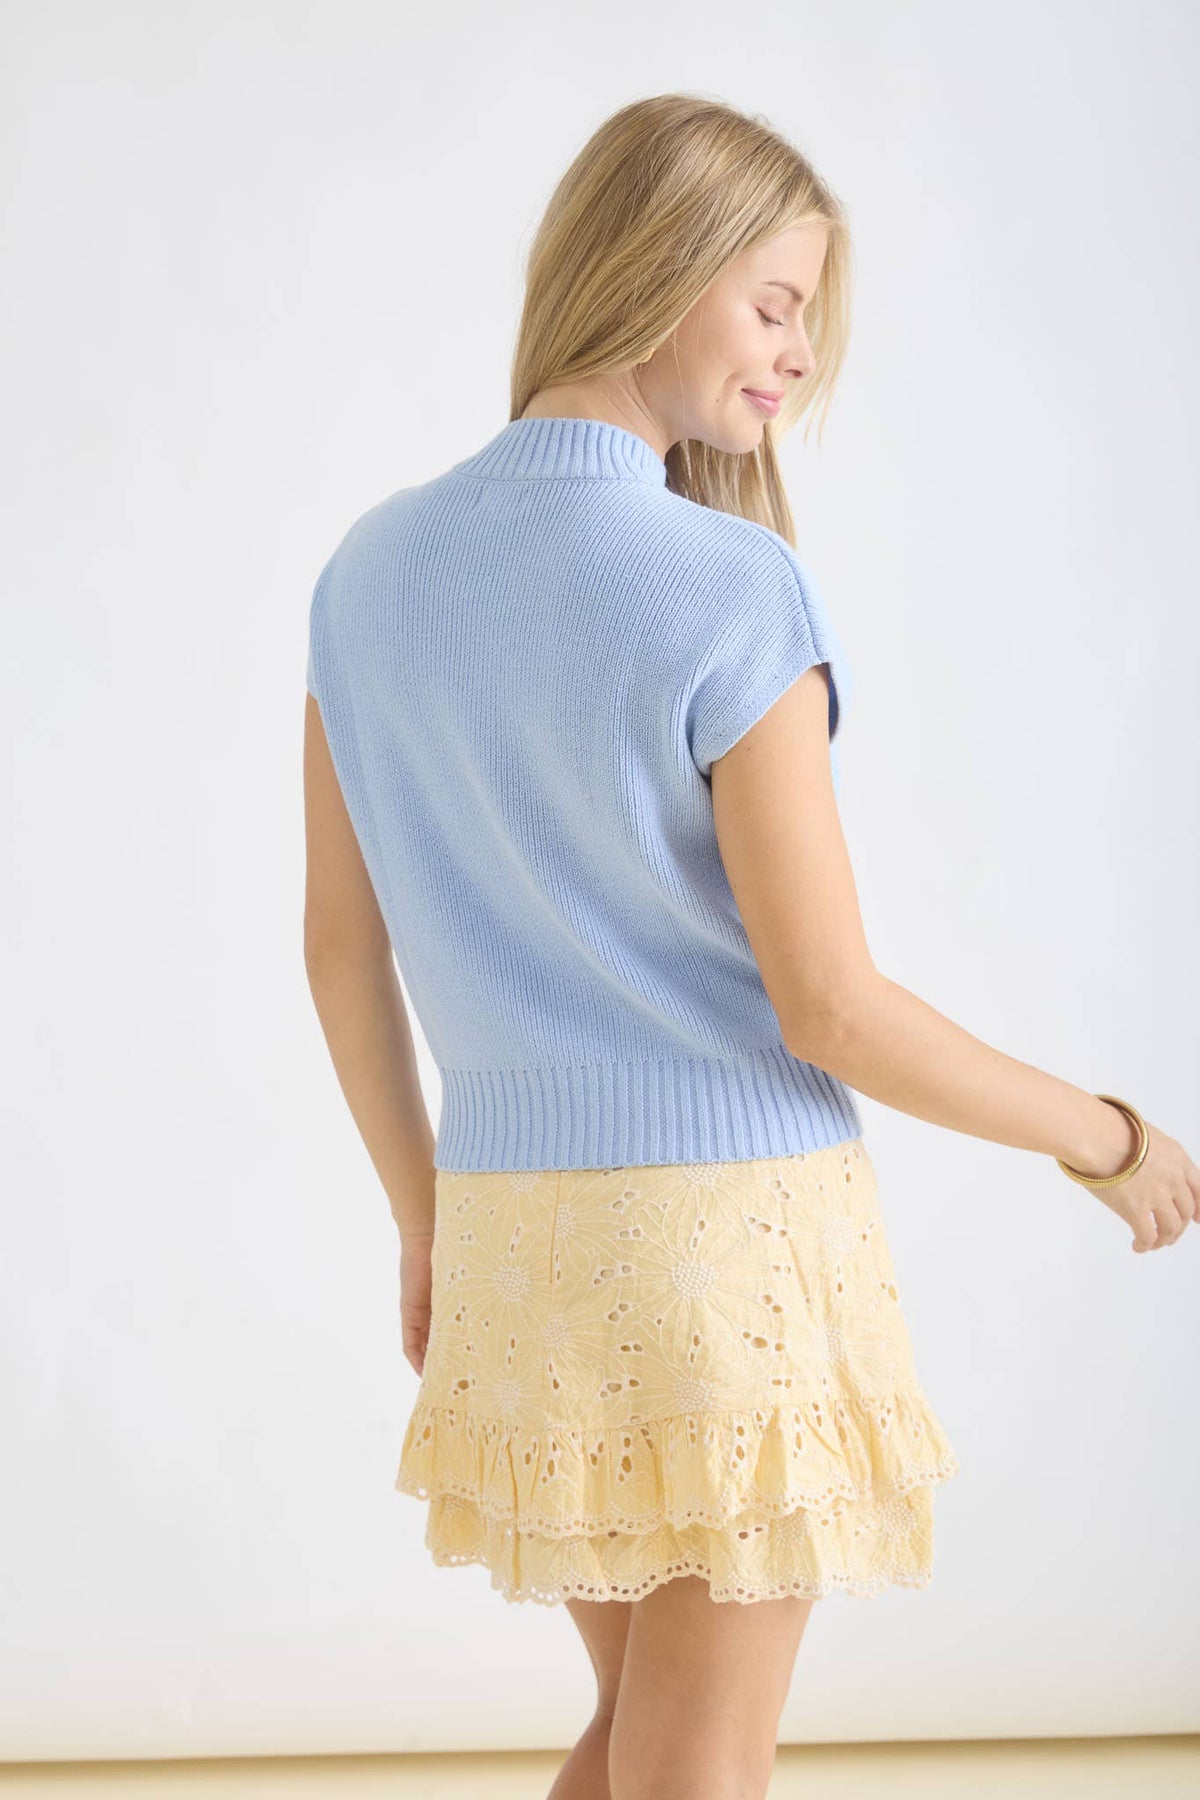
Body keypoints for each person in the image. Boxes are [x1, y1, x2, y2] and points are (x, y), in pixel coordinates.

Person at [302, 92, 1198, 1800]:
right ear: (658, 263)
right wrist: (1107, 1137)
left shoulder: (367, 576)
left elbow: (342, 952)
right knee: (693, 1770)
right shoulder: (728, 584)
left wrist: (426, 1218)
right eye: (777, 303)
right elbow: (832, 1006)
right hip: (728, 1249)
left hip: (513, 1238)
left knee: (640, 1746)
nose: (798, 355)